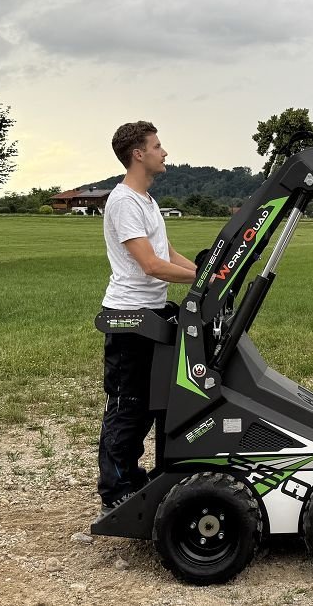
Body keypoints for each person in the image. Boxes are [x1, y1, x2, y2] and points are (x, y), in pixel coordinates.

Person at [99, 121, 198, 514]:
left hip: (152, 314)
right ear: (138, 154)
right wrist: (201, 278)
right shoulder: (123, 202)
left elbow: (170, 255)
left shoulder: (148, 202)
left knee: (154, 401)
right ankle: (116, 489)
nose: (164, 152)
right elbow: (150, 265)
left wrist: (212, 280)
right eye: (157, 146)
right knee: (128, 404)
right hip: (129, 315)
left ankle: (135, 478)